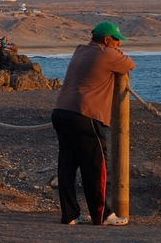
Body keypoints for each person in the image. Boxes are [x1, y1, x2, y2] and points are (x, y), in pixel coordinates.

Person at [51, 21, 135, 226]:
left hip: (61, 111)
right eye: (116, 40)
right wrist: (115, 54)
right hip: (84, 114)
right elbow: (129, 64)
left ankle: (70, 215)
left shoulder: (80, 50)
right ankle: (102, 216)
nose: (119, 45)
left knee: (67, 166)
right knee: (96, 167)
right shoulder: (106, 54)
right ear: (106, 40)